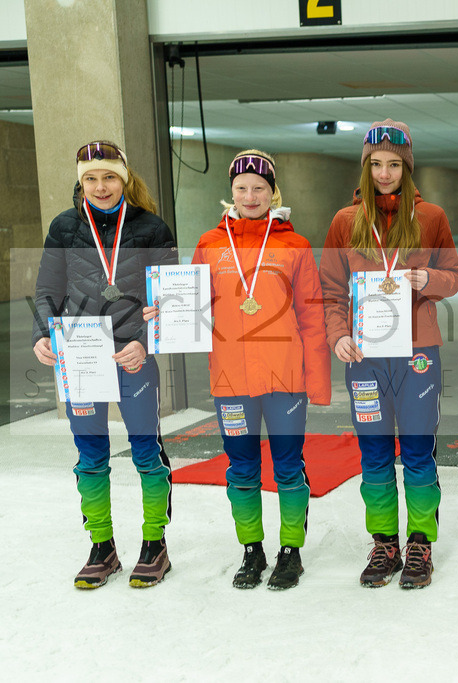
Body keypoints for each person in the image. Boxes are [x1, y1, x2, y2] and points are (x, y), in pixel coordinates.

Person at [320, 119, 458, 589]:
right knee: (375, 452)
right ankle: (384, 543)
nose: (384, 173)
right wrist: (337, 335)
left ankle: (420, 543)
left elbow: (454, 274)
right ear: (365, 167)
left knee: (418, 451)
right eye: (376, 164)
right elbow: (331, 290)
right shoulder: (345, 221)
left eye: (394, 165)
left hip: (417, 354)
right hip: (364, 356)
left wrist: (431, 280)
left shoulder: (431, 216)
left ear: (407, 168)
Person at [183, 149, 331, 590]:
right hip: (230, 379)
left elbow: (312, 316)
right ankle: (252, 549)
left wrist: (318, 382)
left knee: (287, 466)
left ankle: (291, 551)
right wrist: (166, 314)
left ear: (273, 192)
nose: (250, 196)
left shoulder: (295, 246)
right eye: (242, 188)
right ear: (231, 192)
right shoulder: (210, 244)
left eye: (259, 188)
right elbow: (193, 307)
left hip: (285, 377)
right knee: (242, 467)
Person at [32, 140, 177, 589]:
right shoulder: (64, 227)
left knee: (146, 453)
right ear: (81, 182)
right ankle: (102, 546)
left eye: (109, 176)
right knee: (91, 456)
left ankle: (154, 543)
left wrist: (146, 344)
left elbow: (171, 300)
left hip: (132, 356)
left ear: (124, 178)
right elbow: (47, 289)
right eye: (91, 178)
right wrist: (42, 334)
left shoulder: (151, 227)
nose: (100, 186)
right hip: (81, 355)